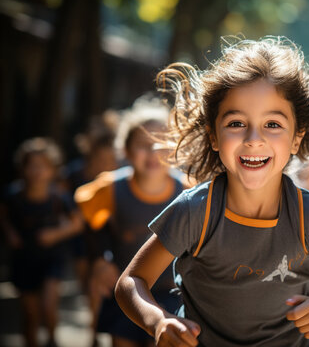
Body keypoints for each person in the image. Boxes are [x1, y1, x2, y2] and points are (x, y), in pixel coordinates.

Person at [114, 37, 309, 347]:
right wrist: (158, 321)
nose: (253, 139)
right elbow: (130, 282)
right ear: (214, 136)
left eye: (272, 124)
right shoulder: (195, 211)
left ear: (296, 138)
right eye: (236, 123)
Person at [75, 97, 185, 347]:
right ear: (125, 150)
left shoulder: (187, 189)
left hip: (171, 293)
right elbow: (87, 220)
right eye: (143, 144)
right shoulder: (111, 188)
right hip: (125, 293)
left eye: (161, 143)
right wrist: (99, 260)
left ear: (175, 148)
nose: (153, 152)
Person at [0, 137, 83, 347]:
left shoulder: (58, 197)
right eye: (32, 166)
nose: (37, 171)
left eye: (43, 166)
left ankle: (52, 340)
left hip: (51, 259)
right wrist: (10, 234)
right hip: (23, 259)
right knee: (30, 314)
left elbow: (77, 223)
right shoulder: (13, 195)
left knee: (48, 305)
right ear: (23, 168)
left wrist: (55, 234)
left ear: (52, 170)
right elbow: (3, 216)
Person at [61, 111, 119, 347]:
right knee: (86, 285)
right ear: (89, 156)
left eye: (110, 161)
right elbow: (61, 202)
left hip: (106, 240)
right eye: (100, 160)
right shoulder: (74, 174)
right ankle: (94, 328)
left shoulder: (120, 180)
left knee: (99, 287)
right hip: (81, 239)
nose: (105, 166)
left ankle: (97, 332)